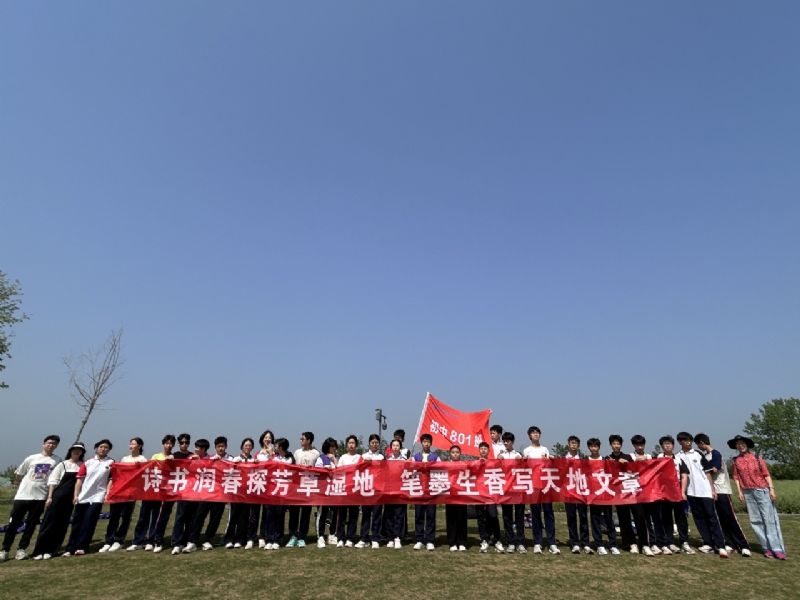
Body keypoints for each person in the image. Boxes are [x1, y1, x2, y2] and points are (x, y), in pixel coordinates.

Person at [0, 434, 61, 562]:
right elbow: (19, 473)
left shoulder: (57, 460)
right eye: (49, 442)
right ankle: (5, 550)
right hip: (22, 496)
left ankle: (21, 549)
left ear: (56, 446)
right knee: (13, 523)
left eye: (54, 443)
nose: (51, 445)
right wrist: (20, 488)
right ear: (43, 444)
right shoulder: (31, 458)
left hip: (40, 497)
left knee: (31, 525)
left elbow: (56, 478)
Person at [729, 434, 786, 560]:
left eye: (742, 443)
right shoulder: (736, 460)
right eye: (738, 444)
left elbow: (766, 474)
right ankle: (766, 548)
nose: (740, 446)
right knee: (755, 521)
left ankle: (777, 548)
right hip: (748, 492)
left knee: (768, 520)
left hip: (762, 490)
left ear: (747, 444)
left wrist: (772, 490)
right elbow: (736, 477)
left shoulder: (757, 458)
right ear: (736, 447)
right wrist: (739, 492)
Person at [695, 433, 751, 557]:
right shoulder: (705, 456)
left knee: (730, 518)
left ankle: (743, 545)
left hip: (722, 491)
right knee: (720, 519)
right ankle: (730, 543)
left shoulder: (716, 454)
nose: (699, 447)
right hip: (712, 491)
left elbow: (714, 469)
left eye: (698, 445)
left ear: (702, 443)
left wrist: (701, 471)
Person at [676, 432, 728, 558]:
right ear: (680, 442)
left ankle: (720, 545)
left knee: (711, 517)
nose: (688, 442)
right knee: (699, 518)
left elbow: (707, 472)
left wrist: (712, 489)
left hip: (704, 490)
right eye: (685, 440)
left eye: (690, 440)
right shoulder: (678, 456)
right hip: (690, 492)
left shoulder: (698, 454)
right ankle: (708, 542)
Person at [30, 442, 83, 560]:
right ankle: (39, 551)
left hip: (70, 500)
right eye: (75, 449)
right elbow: (52, 481)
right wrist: (50, 497)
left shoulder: (82, 465)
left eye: (79, 450)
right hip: (57, 497)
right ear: (70, 451)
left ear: (82, 452)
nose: (77, 452)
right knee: (48, 523)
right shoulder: (62, 464)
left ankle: (52, 550)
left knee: (62, 525)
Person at [64, 439, 114, 556]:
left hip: (98, 496)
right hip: (83, 496)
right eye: (101, 447)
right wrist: (76, 495)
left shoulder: (111, 463)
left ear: (109, 450)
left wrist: (107, 493)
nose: (103, 449)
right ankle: (70, 548)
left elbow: (111, 479)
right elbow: (79, 480)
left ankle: (82, 547)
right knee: (77, 523)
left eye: (106, 447)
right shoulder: (88, 462)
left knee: (89, 521)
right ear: (96, 448)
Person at [184, 436, 232, 552]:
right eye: (219, 446)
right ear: (215, 447)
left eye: (223, 446)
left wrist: (225, 463)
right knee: (199, 516)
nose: (221, 448)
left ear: (226, 447)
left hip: (220, 495)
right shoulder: (209, 458)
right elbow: (197, 470)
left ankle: (207, 540)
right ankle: (192, 541)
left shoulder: (230, 458)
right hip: (207, 493)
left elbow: (234, 471)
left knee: (215, 518)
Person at [606, 434, 652, 556]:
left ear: (621, 445)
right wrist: (613, 463)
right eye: (614, 443)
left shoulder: (628, 457)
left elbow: (638, 469)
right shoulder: (607, 458)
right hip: (619, 494)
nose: (616, 446)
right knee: (624, 518)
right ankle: (631, 543)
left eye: (618, 443)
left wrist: (627, 462)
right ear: (611, 445)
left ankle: (644, 544)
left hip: (632, 491)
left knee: (639, 516)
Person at [128, 434, 175, 552]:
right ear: (163, 444)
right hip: (150, 490)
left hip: (162, 492)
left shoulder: (174, 458)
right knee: (143, 516)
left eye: (171, 443)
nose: (169, 445)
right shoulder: (156, 456)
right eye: (167, 443)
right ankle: (138, 541)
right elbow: (148, 469)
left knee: (156, 517)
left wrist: (171, 461)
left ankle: (150, 540)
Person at [100, 437, 147, 553]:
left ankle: (119, 540)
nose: (131, 446)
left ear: (139, 446)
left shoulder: (143, 459)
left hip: (131, 492)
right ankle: (108, 541)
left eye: (133, 444)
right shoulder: (125, 459)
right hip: (119, 491)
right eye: (130, 443)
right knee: (114, 516)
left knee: (126, 517)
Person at [523, 425, 558, 555]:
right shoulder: (527, 450)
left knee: (549, 513)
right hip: (534, 485)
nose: (536, 434)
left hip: (545, 485)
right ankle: (537, 542)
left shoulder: (545, 449)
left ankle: (552, 542)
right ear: (529, 436)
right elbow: (524, 467)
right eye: (533, 433)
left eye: (537, 432)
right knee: (535, 513)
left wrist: (550, 459)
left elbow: (550, 465)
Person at [656, 435, 693, 555]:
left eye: (670, 443)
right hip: (663, 493)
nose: (668, 446)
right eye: (665, 444)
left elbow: (684, 475)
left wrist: (682, 492)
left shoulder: (678, 459)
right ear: (662, 446)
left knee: (681, 517)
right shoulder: (657, 458)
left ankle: (684, 541)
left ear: (673, 445)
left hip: (677, 491)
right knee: (666, 517)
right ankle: (669, 541)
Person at [586, 438, 619, 555]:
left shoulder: (605, 460)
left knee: (609, 518)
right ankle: (599, 544)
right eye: (591, 446)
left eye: (596, 446)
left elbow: (613, 474)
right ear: (589, 448)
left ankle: (612, 544)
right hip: (593, 494)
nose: (594, 448)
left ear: (599, 447)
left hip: (605, 493)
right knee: (595, 519)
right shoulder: (585, 461)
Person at [287, 431, 320, 548]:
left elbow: (319, 469)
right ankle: (293, 536)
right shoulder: (297, 452)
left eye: (303, 439)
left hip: (308, 486)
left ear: (309, 441)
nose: (301, 441)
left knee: (306, 513)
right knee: (294, 512)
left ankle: (302, 536)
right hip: (297, 486)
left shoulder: (316, 453)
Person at [630, 434, 659, 556]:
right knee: (639, 517)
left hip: (649, 492)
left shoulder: (649, 457)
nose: (640, 447)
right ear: (634, 445)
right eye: (637, 444)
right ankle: (643, 544)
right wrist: (635, 461)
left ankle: (652, 542)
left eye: (641, 444)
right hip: (635, 493)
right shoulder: (630, 457)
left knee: (649, 518)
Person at [224, 437, 256, 550]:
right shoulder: (236, 459)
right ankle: (228, 539)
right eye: (246, 445)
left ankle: (239, 539)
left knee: (244, 517)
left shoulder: (254, 460)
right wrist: (234, 465)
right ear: (242, 446)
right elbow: (229, 473)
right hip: (236, 492)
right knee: (233, 517)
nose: (248, 447)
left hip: (248, 493)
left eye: (250, 445)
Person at [263, 437, 293, 550]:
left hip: (282, 492)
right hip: (272, 491)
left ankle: (277, 539)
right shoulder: (272, 457)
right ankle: (269, 539)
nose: (274, 447)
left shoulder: (289, 459)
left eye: (276, 445)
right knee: (269, 515)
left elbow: (287, 468)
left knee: (279, 516)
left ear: (281, 447)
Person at [498, 431, 526, 554]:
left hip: (518, 489)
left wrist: (521, 461)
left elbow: (525, 469)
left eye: (508, 441)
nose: (506, 443)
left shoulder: (518, 455)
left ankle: (520, 542)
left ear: (512, 442)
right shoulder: (501, 456)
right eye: (504, 441)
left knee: (519, 516)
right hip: (506, 490)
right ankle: (510, 542)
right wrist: (498, 460)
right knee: (507, 516)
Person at [564, 435, 591, 554]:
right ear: (568, 444)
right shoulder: (563, 458)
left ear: (579, 446)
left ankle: (585, 542)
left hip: (581, 491)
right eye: (572, 443)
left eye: (576, 443)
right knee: (571, 517)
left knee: (583, 517)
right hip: (568, 491)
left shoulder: (584, 458)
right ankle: (574, 542)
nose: (573, 445)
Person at [357, 434, 384, 549]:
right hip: (366, 489)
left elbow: (385, 472)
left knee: (377, 514)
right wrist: (364, 463)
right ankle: (364, 538)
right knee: (366, 515)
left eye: (376, 442)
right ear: (369, 444)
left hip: (378, 490)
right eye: (372, 442)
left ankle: (375, 538)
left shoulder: (382, 457)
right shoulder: (363, 456)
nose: (374, 444)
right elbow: (357, 469)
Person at [475, 441, 503, 553]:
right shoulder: (475, 463)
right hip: (479, 494)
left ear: (488, 451)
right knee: (481, 517)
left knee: (493, 515)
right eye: (481, 448)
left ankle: (497, 539)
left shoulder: (493, 462)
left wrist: (501, 460)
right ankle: (484, 539)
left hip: (491, 494)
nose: (483, 450)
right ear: (479, 450)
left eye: (485, 448)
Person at [412, 433, 438, 551]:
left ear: (431, 443)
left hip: (431, 490)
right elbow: (411, 471)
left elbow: (440, 471)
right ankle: (419, 539)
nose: (426, 444)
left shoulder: (435, 457)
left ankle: (430, 540)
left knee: (431, 515)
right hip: (419, 490)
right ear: (421, 443)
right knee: (419, 515)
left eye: (428, 442)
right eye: (424, 442)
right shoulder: (416, 457)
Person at [335, 435, 362, 548]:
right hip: (344, 490)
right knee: (341, 515)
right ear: (346, 445)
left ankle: (350, 538)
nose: (351, 445)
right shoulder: (343, 458)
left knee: (353, 515)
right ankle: (340, 538)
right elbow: (338, 471)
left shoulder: (359, 457)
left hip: (354, 491)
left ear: (356, 445)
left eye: (353, 443)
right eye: (349, 443)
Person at [314, 437, 340, 547]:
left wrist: (334, 460)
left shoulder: (337, 458)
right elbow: (317, 473)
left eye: (334, 446)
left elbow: (341, 472)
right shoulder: (321, 458)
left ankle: (332, 534)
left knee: (334, 513)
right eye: (331, 446)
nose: (333, 448)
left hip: (335, 490)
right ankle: (320, 536)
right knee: (322, 513)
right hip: (323, 491)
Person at [384, 439, 407, 549]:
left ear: (400, 447)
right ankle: (390, 537)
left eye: (397, 445)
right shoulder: (387, 460)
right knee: (389, 514)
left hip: (400, 491)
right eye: (393, 445)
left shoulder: (404, 460)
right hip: (389, 490)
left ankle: (397, 537)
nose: (395, 447)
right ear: (391, 447)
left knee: (399, 514)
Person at [445, 445, 468, 552]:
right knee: (451, 519)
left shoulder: (464, 465)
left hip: (462, 495)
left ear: (460, 454)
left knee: (462, 519)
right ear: (450, 454)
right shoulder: (446, 465)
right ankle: (452, 542)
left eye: (457, 452)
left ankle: (462, 542)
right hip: (450, 496)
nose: (455, 454)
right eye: (453, 452)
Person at [255, 429, 275, 548]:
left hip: (270, 486)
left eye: (269, 437)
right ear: (262, 439)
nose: (267, 439)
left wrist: (271, 453)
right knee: (256, 511)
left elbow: (276, 465)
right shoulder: (258, 453)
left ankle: (264, 535)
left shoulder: (274, 453)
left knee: (267, 512)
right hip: (258, 484)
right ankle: (256, 536)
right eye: (266, 437)